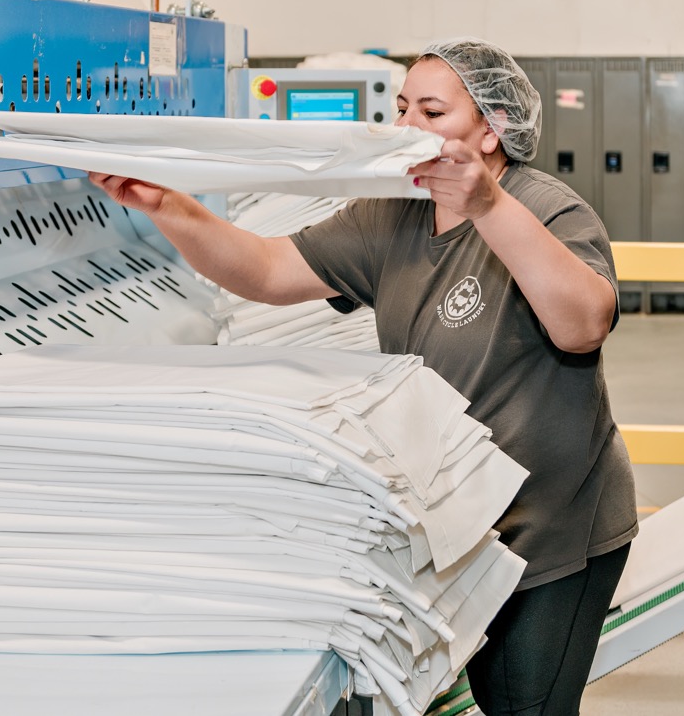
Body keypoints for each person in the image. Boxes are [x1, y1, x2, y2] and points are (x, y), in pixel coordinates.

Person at [89, 37, 637, 715]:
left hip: (552, 528)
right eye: (403, 107)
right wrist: (166, 205)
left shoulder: (548, 210)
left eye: (431, 112)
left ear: (491, 130)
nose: (404, 126)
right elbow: (266, 270)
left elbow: (582, 324)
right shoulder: (393, 216)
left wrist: (488, 207)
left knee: (526, 706)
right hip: (455, 520)